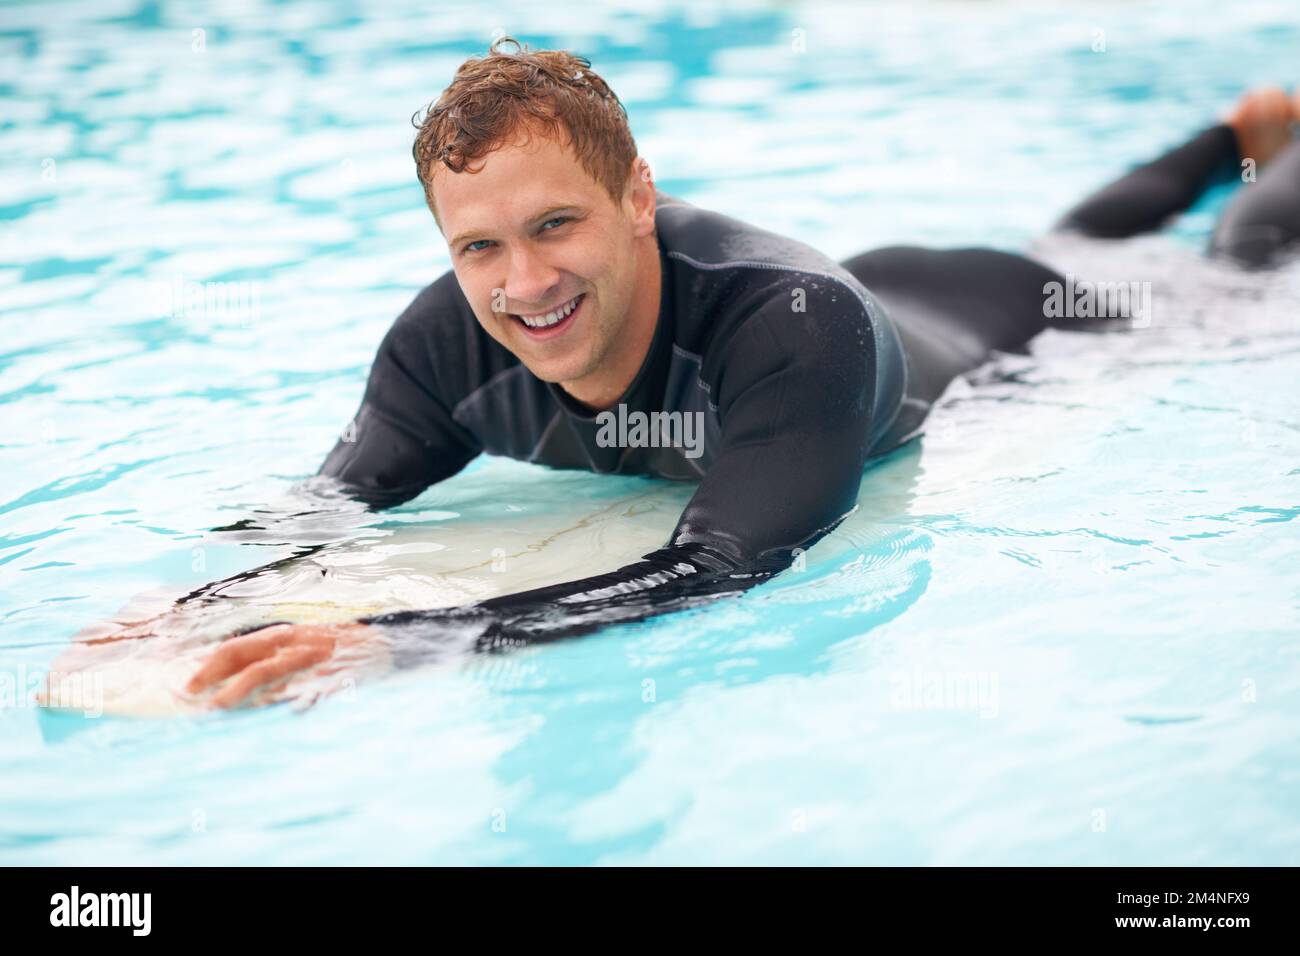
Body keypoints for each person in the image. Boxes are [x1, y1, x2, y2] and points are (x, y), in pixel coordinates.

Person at [184, 39, 1300, 708]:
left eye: (555, 223)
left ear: (637, 199)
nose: (521, 281)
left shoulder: (788, 332)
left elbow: (719, 564)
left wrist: (408, 636)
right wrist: (183, 609)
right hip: (898, 283)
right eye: (479, 246)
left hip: (1012, 327)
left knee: (1234, 271)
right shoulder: (444, 345)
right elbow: (330, 500)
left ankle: (1270, 151)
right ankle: (1224, 135)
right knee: (1075, 240)